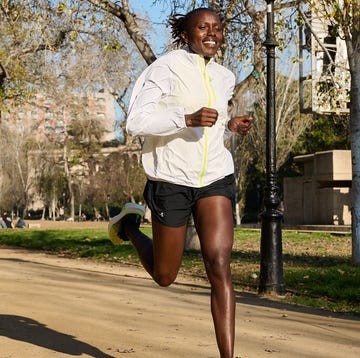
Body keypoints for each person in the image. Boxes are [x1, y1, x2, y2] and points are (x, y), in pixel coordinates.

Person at [108, 7, 253, 358]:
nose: (212, 34)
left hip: (215, 176)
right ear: (186, 35)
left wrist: (230, 126)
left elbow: (211, 126)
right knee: (165, 275)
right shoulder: (164, 68)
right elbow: (137, 122)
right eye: (202, 28)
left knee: (219, 263)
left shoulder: (224, 76)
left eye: (217, 28)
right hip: (170, 179)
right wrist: (185, 118)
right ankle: (129, 226)